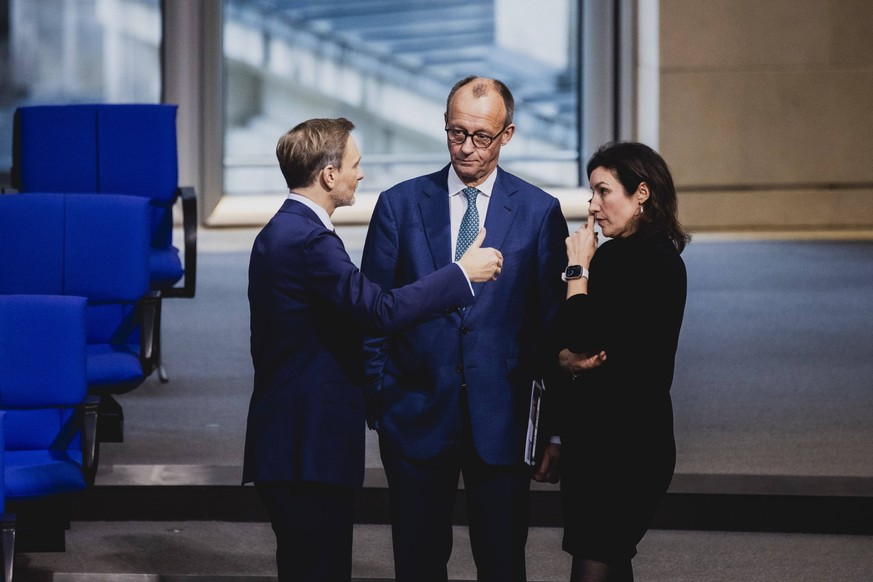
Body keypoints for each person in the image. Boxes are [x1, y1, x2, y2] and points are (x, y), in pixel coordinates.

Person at [243, 117, 504, 582]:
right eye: (354, 165)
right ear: (328, 175)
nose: (359, 175)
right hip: (308, 447)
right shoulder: (310, 241)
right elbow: (379, 309)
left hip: (288, 440)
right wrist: (460, 274)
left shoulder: (280, 232)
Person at [360, 76, 568, 582]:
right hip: (414, 413)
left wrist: (554, 428)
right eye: (457, 133)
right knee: (417, 561)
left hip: (501, 416)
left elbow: (549, 330)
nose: (467, 147)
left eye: (482, 136)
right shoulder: (399, 204)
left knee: (501, 563)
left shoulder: (539, 213)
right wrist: (379, 401)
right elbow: (372, 311)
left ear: (508, 134)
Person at [555, 141, 690, 582]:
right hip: (621, 440)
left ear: (642, 193)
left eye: (603, 191)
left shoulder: (629, 260)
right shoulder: (654, 255)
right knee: (609, 556)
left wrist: (578, 269)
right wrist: (567, 358)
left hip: (621, 447)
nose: (593, 206)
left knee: (596, 557)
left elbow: (582, 336)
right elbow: (581, 347)